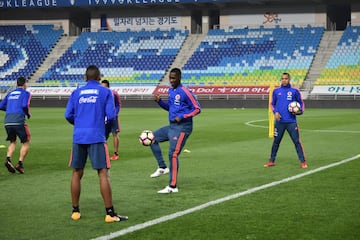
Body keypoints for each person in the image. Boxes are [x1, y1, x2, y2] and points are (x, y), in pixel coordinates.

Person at [64, 65, 128, 222]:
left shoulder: (76, 92)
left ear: (85, 78)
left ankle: (75, 211)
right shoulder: (106, 92)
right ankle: (109, 213)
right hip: (96, 136)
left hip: (78, 136)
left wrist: (80, 123)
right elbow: (111, 116)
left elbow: (68, 115)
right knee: (103, 174)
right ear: (99, 77)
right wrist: (98, 124)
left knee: (76, 173)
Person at [150, 68, 201, 193]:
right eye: (170, 78)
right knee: (152, 138)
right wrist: (160, 102)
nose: (171, 80)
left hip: (183, 128)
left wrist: (183, 116)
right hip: (172, 126)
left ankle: (172, 187)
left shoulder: (185, 91)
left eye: (173, 78)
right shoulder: (170, 91)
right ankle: (162, 167)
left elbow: (197, 109)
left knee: (173, 154)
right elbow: (171, 108)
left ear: (179, 78)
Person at [264, 72, 307, 169]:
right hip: (279, 122)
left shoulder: (294, 91)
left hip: (291, 121)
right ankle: (271, 161)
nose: (284, 80)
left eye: (286, 78)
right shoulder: (276, 91)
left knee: (296, 141)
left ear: (289, 79)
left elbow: (301, 103)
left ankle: (303, 161)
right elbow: (272, 104)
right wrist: (275, 112)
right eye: (282, 78)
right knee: (276, 142)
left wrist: (300, 111)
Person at [0, 77, 31, 174]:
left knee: (12, 141)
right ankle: (20, 163)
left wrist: (10, 110)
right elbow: (24, 105)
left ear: (16, 84)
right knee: (26, 141)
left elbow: (1, 106)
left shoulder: (10, 93)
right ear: (25, 84)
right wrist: (27, 114)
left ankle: (8, 159)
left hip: (8, 121)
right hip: (18, 120)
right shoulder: (26, 93)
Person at [101, 80, 121, 160]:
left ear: (108, 87)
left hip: (113, 117)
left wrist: (115, 113)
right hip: (104, 118)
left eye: (104, 87)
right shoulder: (100, 94)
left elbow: (118, 104)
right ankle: (103, 153)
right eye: (101, 87)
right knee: (104, 136)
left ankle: (116, 153)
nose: (103, 88)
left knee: (114, 134)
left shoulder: (114, 93)